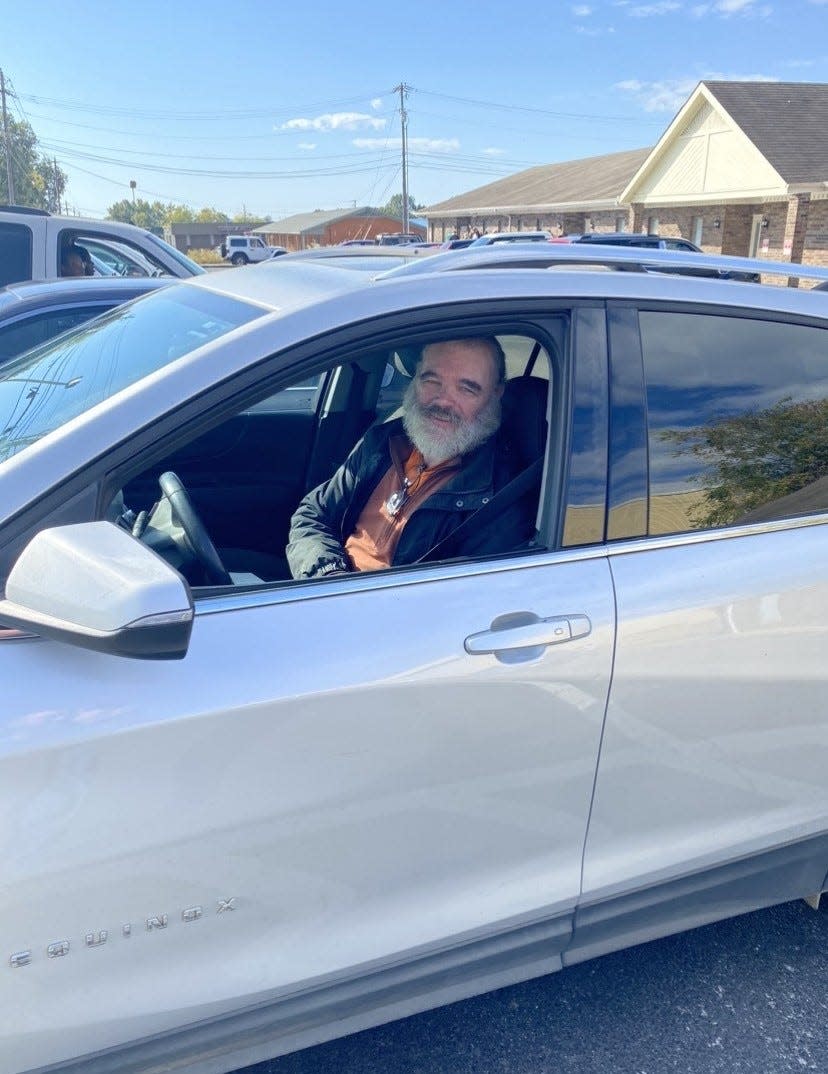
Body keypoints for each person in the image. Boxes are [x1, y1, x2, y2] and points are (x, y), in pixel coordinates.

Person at [286, 338, 539, 580]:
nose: (443, 401)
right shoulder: (383, 441)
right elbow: (313, 514)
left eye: (466, 388)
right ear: (415, 378)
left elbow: (448, 607)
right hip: (321, 590)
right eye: (431, 380)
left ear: (496, 395)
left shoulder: (500, 500)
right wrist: (329, 574)